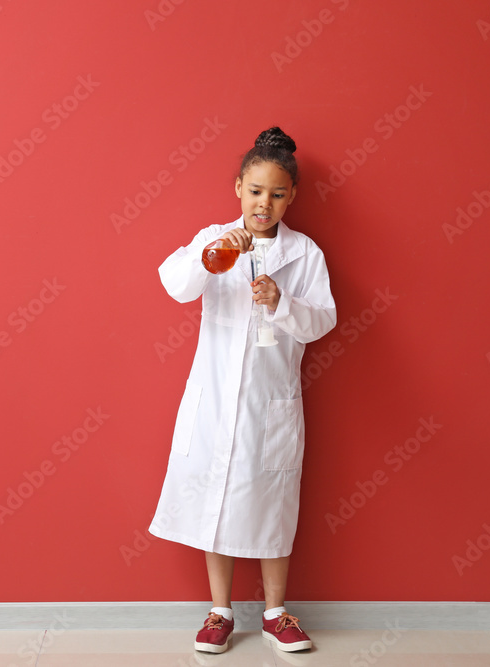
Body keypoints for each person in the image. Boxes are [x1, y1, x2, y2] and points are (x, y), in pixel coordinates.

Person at [149, 127, 336, 654]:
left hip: (268, 404)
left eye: (277, 194)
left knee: (273, 502)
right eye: (255, 191)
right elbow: (175, 284)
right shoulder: (215, 238)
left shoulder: (304, 254)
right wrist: (208, 256)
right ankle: (220, 611)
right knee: (217, 500)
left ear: (291, 197)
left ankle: (277, 613)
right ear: (238, 188)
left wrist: (281, 301)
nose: (264, 203)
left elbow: (322, 321)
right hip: (214, 401)